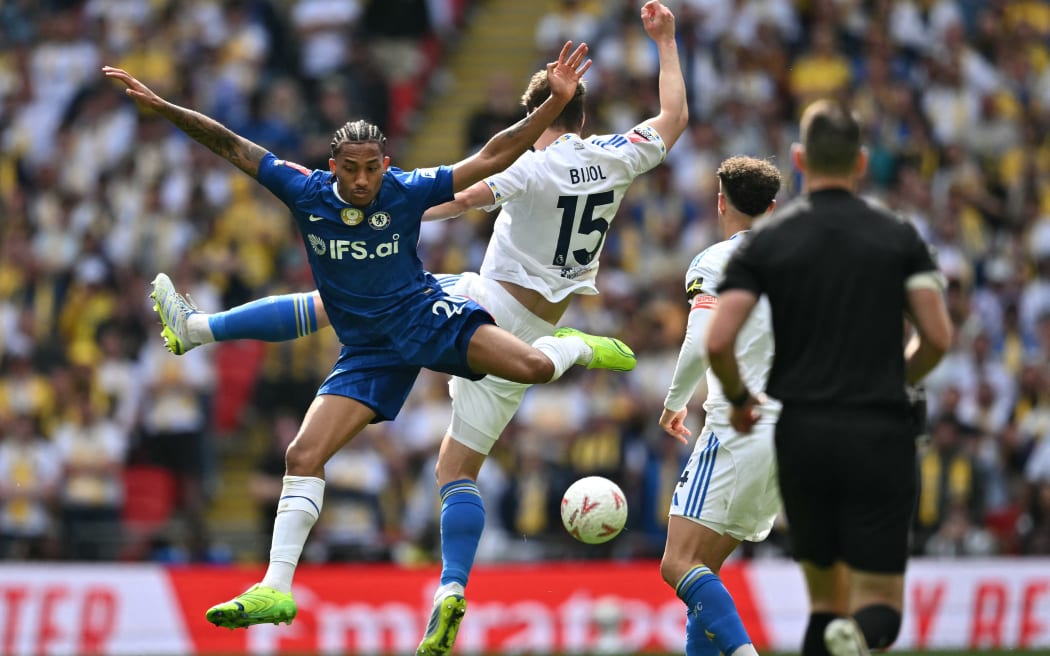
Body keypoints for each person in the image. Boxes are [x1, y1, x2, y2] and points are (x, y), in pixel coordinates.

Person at [139, 2, 687, 653]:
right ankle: (449, 590)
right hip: (531, 311)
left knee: (367, 320)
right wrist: (666, 42)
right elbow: (674, 118)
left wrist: (393, 216)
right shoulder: (618, 155)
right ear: (585, 117)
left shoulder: (528, 166)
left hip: (482, 302)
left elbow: (470, 183)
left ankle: (567, 357)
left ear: (538, 114)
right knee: (454, 461)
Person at [705, 100, 953, 656]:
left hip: (804, 432)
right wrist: (898, 376)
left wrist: (742, 400)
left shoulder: (768, 242)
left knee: (824, 604)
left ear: (798, 159)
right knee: (878, 604)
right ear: (861, 163)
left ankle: (836, 634)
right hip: (881, 430)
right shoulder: (898, 236)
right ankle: (861, 635)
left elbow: (718, 341)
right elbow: (937, 336)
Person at [658, 156, 781, 656]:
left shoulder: (715, 261)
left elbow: (700, 340)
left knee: (677, 564)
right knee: (703, 573)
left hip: (738, 427)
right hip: (794, 430)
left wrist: (673, 403)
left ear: (720, 203)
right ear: (773, 208)